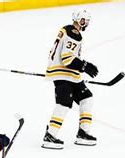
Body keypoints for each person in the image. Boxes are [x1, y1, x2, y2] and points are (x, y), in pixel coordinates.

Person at [42, 9, 99, 149]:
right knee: (64, 103)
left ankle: (83, 134)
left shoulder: (67, 30)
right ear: (82, 20)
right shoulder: (73, 33)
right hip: (63, 73)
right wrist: (85, 66)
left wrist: (82, 67)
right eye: (86, 21)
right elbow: (67, 59)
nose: (86, 24)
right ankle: (50, 136)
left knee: (86, 97)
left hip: (70, 74)